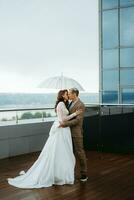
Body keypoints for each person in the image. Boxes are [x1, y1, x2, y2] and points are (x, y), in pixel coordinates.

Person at [7, 89, 82, 189]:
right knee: (59, 151)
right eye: (66, 94)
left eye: (68, 94)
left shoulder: (64, 104)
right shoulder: (60, 104)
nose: (67, 95)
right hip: (61, 129)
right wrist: (75, 114)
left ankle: (60, 174)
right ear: (62, 95)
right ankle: (58, 175)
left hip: (64, 129)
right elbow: (62, 119)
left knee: (63, 152)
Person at [59, 88, 88, 182]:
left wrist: (64, 124)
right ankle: (68, 173)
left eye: (70, 94)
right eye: (67, 94)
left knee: (80, 152)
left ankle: (84, 174)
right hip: (66, 132)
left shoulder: (81, 105)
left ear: (75, 94)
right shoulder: (69, 103)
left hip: (76, 132)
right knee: (67, 152)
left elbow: (78, 120)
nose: (68, 95)